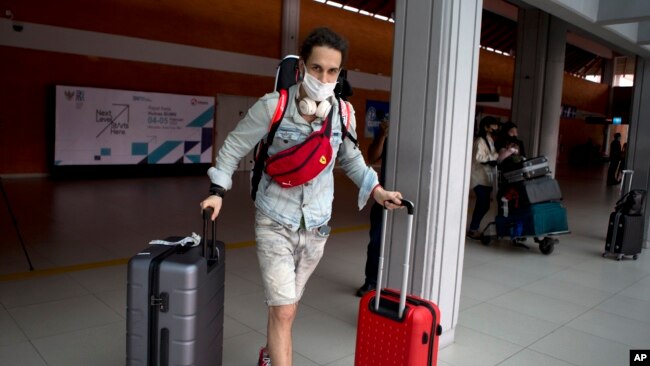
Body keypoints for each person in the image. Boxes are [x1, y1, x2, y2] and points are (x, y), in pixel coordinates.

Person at [200, 27, 403, 366]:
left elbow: (351, 157)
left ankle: (269, 355)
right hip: (274, 221)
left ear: (340, 74)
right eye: (316, 68)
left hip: (317, 227)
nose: (323, 77)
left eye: (332, 71)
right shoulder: (273, 107)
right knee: (283, 309)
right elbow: (234, 145)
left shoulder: (343, 113)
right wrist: (217, 190)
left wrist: (377, 191)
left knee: (287, 308)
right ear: (302, 68)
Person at [355, 110, 388, 297]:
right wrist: (383, 134)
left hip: (410, 197)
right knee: (376, 240)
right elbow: (372, 158)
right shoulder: (390, 133)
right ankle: (371, 281)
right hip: (385, 195)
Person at [467, 116, 515, 240]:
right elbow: (478, 158)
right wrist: (493, 157)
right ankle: (473, 229)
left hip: (486, 178)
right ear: (486, 127)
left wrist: (496, 156)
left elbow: (492, 155)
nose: (496, 127)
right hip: (478, 177)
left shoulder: (489, 139)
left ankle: (473, 228)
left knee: (483, 204)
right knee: (483, 204)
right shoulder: (479, 141)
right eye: (493, 125)